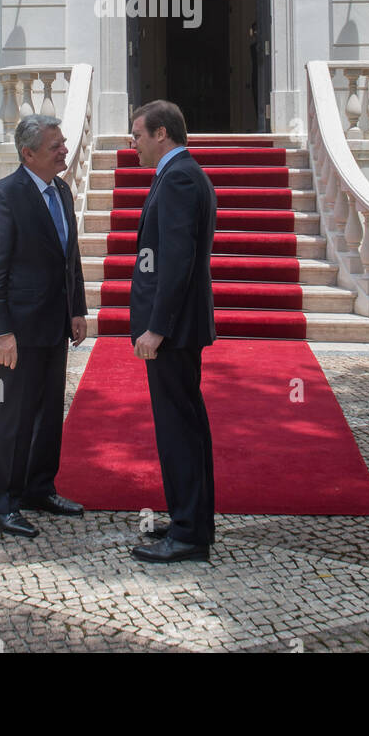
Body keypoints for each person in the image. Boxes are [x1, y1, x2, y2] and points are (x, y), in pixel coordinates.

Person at [0, 114, 87, 538]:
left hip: (53, 327)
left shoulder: (61, 190)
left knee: (46, 413)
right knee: (9, 415)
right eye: (56, 145)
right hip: (16, 335)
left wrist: (77, 308)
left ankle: (39, 488)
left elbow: (68, 257)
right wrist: (0, 332)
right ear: (29, 153)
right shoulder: (3, 197)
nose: (64, 149)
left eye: (63, 142)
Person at [128, 100, 217, 564]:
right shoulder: (181, 173)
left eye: (138, 134)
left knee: (179, 431)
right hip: (181, 330)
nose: (133, 143)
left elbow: (177, 261)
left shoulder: (179, 177)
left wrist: (155, 329)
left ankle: (187, 534)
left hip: (174, 332)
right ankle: (192, 519)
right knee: (187, 427)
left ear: (162, 133)